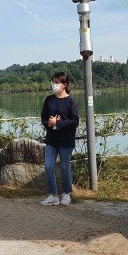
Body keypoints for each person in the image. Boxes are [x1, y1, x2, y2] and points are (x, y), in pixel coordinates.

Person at [40, 72, 79, 206]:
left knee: (64, 167)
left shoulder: (70, 101)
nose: (54, 85)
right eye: (53, 82)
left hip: (66, 139)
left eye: (57, 82)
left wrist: (58, 123)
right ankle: (53, 195)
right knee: (48, 166)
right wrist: (49, 124)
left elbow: (75, 121)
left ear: (64, 85)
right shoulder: (49, 100)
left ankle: (66, 193)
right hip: (51, 139)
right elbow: (43, 117)